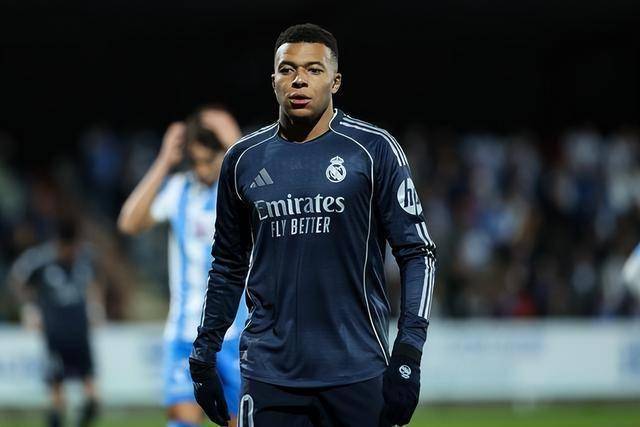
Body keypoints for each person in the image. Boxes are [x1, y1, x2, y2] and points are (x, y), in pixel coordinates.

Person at [189, 23, 437, 427]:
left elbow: (417, 253)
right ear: (273, 80)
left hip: (358, 372)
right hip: (268, 376)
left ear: (335, 81)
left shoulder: (373, 149)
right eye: (287, 70)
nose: (299, 80)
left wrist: (409, 352)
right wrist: (204, 354)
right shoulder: (243, 160)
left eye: (314, 69)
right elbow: (227, 265)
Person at [118, 106, 247, 427]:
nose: (202, 169)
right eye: (196, 160)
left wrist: (234, 140)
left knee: (240, 420)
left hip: (235, 334)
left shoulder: (239, 190)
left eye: (209, 159)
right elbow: (129, 222)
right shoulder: (180, 189)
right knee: (182, 421)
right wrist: (164, 161)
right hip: (184, 332)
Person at [9, 218, 100, 427]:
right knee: (57, 394)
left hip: (80, 332)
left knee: (92, 398)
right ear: (58, 243)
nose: (71, 252)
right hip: (55, 333)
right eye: (67, 247)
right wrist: (29, 308)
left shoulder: (85, 258)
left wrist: (96, 305)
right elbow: (16, 279)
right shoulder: (39, 259)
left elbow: (94, 283)